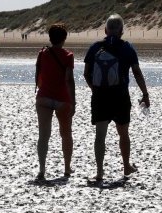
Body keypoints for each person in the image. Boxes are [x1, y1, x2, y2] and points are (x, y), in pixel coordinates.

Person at [82, 14, 150, 183]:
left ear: (105, 30)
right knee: (123, 134)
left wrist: (95, 90)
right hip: (120, 96)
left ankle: (99, 172)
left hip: (100, 97)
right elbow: (137, 73)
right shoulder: (127, 48)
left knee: (100, 136)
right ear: (122, 31)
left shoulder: (95, 48)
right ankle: (126, 165)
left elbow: (86, 73)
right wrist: (145, 94)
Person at [33, 23, 75, 182]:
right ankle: (67, 168)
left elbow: (39, 76)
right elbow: (69, 80)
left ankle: (42, 169)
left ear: (50, 38)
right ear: (64, 38)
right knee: (65, 134)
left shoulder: (42, 53)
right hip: (62, 98)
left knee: (43, 135)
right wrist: (74, 101)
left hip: (43, 97)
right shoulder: (68, 55)